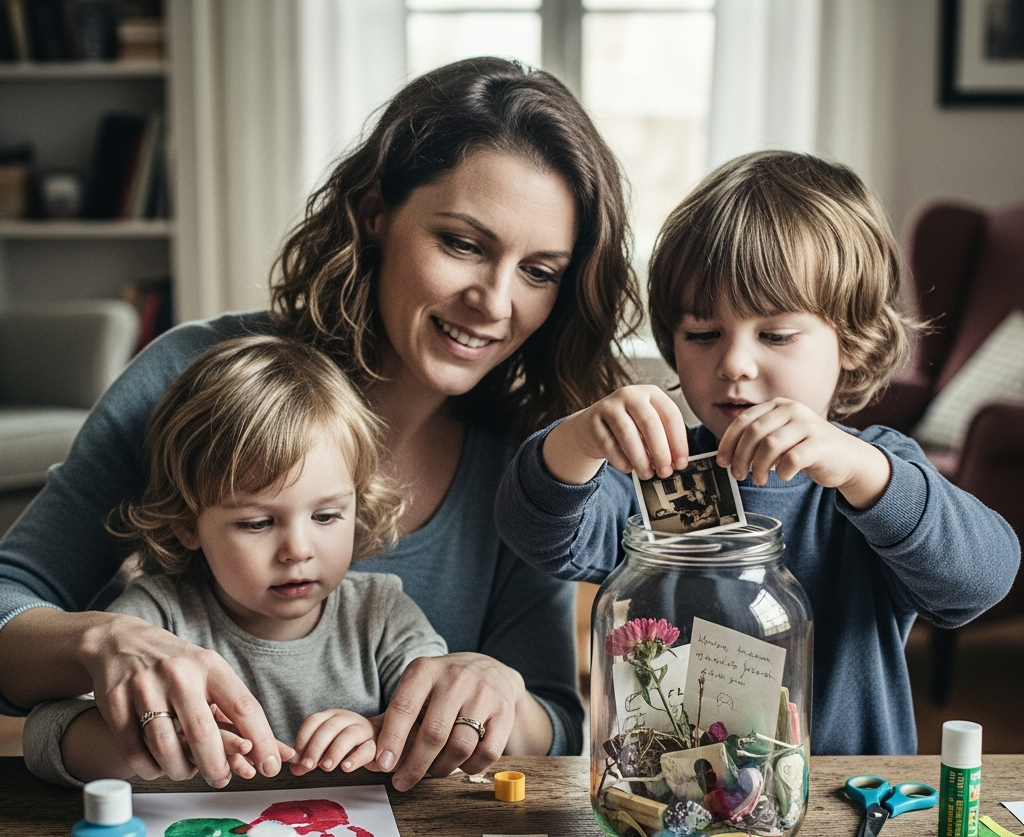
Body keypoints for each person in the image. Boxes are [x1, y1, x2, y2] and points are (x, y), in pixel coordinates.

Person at [0, 58, 641, 790]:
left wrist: (497, 693)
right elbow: (13, 599)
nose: (495, 302)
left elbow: (556, 721)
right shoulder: (192, 376)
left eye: (539, 271)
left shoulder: (532, 462)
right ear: (374, 211)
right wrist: (103, 642)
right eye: (463, 244)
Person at [495, 151, 1021, 755]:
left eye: (775, 334)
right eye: (702, 334)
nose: (734, 363)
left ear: (850, 341)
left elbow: (980, 582)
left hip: (846, 798)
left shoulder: (874, 474)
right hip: (672, 800)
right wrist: (576, 441)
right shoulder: (661, 472)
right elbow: (536, 535)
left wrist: (867, 474)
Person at [23, 336, 449, 788]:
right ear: (187, 524)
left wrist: (383, 733)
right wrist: (148, 743)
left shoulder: (382, 615)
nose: (297, 550)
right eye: (256, 523)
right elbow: (43, 737)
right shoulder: (157, 619)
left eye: (326, 516)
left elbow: (440, 721)